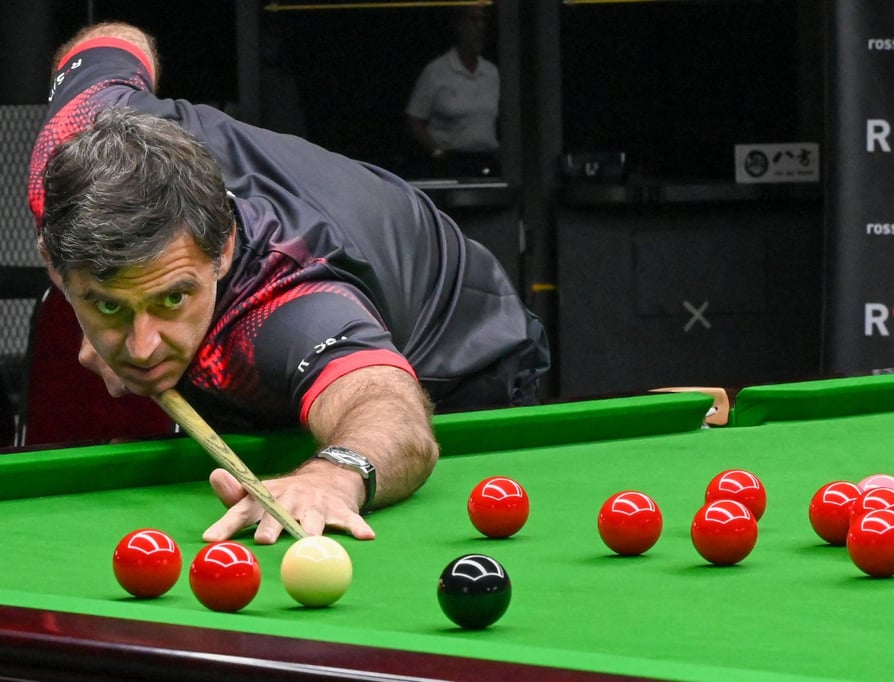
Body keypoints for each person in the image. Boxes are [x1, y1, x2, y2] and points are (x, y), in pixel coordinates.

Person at [27, 22, 549, 545]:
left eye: (171, 297)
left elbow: (390, 411)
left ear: (223, 249)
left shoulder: (284, 298)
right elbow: (116, 38)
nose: (142, 348)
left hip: (454, 358)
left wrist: (334, 475)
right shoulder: (75, 133)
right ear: (55, 262)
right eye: (111, 305)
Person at [405, 5, 500, 177]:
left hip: (486, 161)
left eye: (483, 20)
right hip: (451, 162)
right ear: (459, 26)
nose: (480, 27)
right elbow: (414, 119)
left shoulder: (491, 72)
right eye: (473, 20)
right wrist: (437, 152)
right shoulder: (437, 71)